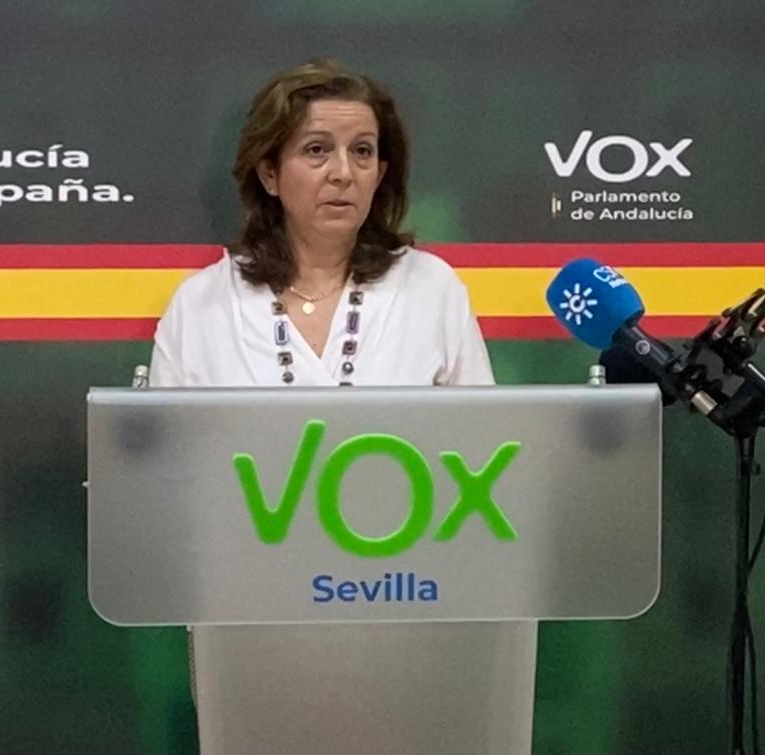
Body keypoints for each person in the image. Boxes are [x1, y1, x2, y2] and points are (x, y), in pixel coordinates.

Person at [150, 59, 536, 755]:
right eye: (316, 150)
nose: (343, 173)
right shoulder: (202, 303)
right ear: (269, 173)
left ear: (383, 172)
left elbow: (481, 461)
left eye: (363, 152)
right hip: (251, 630)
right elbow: (165, 478)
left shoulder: (431, 289)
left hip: (407, 615)